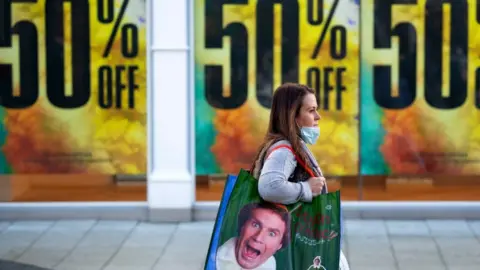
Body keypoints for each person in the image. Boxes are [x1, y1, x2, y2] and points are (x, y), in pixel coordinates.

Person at [249, 83, 350, 270]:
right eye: (311, 111)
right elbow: (269, 187)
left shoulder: (286, 145)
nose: (318, 117)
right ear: (293, 116)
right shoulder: (284, 150)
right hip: (298, 242)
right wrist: (306, 189)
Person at [216, 202, 291, 270]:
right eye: (255, 225)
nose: (258, 238)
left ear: (279, 245)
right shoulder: (215, 259)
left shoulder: (270, 264)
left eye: (272, 234)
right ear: (243, 226)